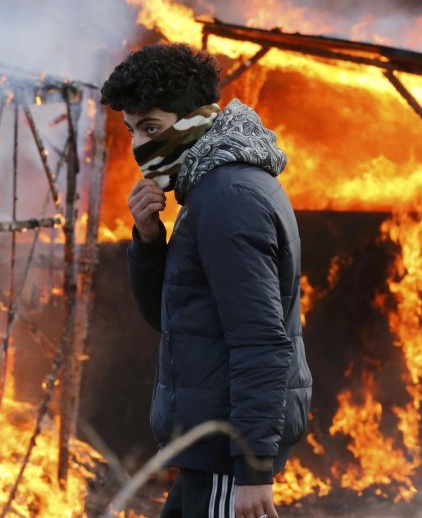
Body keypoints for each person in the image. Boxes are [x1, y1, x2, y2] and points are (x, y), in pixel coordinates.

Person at [100, 43, 312, 518]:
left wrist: (252, 470)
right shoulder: (209, 190)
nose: (139, 145)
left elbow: (260, 340)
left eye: (152, 127)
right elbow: (171, 317)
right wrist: (150, 239)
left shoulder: (228, 199)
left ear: (196, 119)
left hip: (227, 448)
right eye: (132, 129)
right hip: (214, 445)